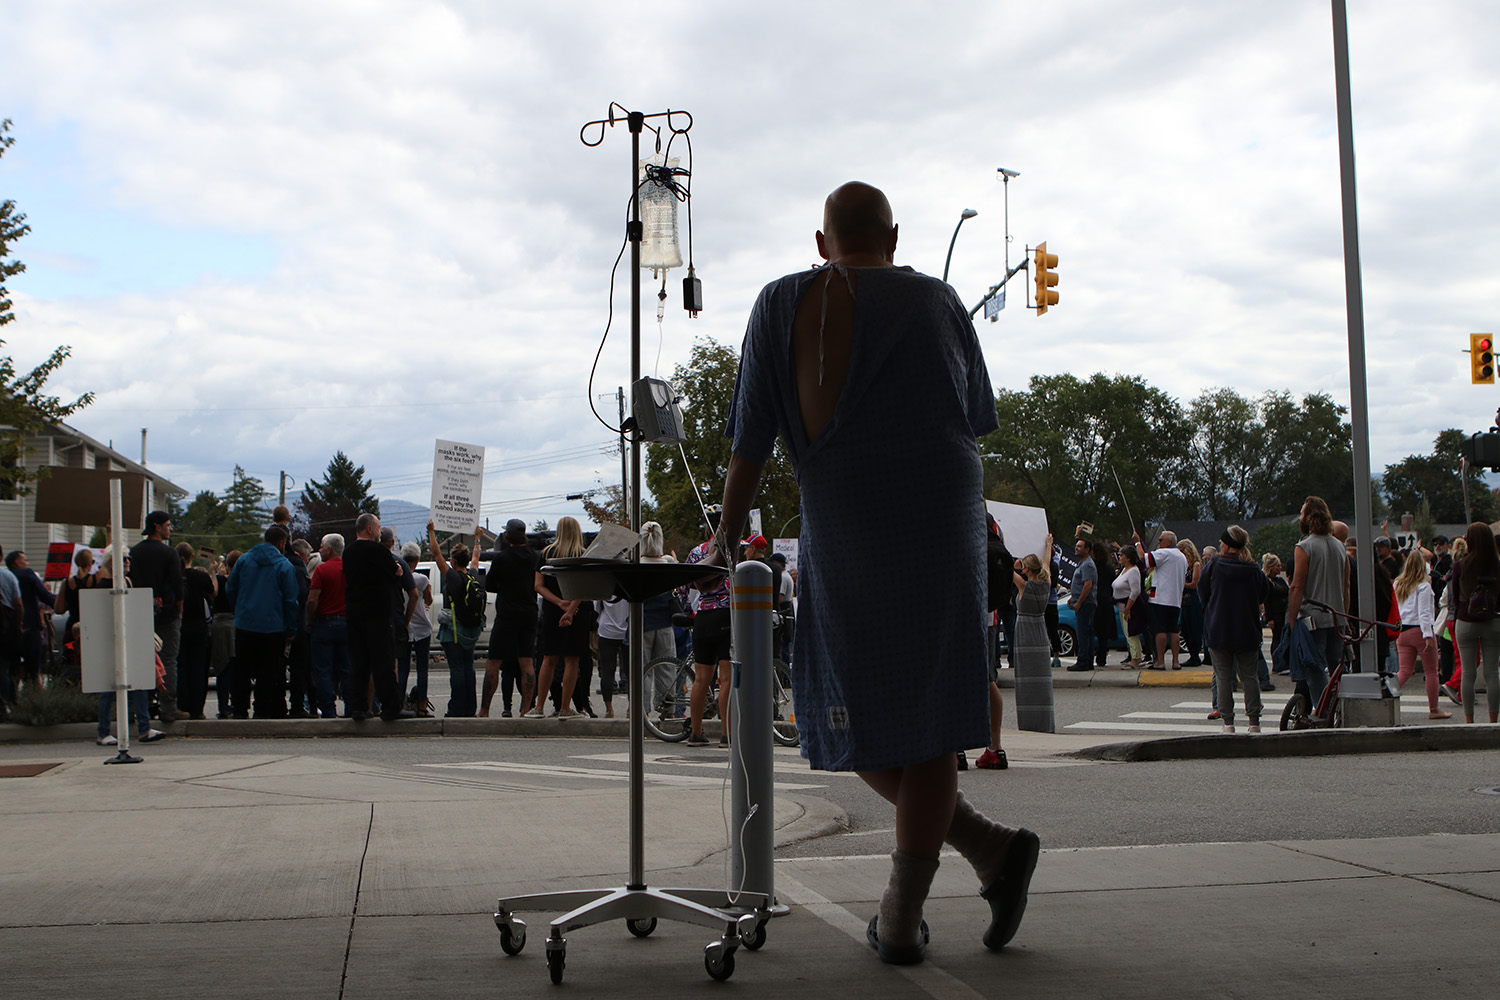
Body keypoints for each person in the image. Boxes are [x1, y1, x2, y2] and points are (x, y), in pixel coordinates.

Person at [718, 181, 1039, 964]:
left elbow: (751, 432)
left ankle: (907, 912)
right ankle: (978, 859)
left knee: (842, 709)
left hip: (846, 524)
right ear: (893, 238)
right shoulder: (940, 302)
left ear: (821, 242)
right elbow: (972, 421)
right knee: (923, 721)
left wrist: (729, 530)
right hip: (940, 521)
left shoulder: (780, 300)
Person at [1198, 527, 1269, 733]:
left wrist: (1210, 610)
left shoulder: (1214, 565)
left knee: (1223, 676)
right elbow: (1263, 594)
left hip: (1219, 627)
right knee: (1250, 676)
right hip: (1247, 628)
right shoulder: (1254, 569)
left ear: (1227, 544)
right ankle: (1254, 721)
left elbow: (1203, 592)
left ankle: (1228, 722)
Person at [225, 525, 299, 718]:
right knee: (268, 671)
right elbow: (291, 601)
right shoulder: (284, 566)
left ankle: (240, 709)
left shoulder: (244, 560)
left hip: (245, 623)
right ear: (281, 543)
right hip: (273, 626)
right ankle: (262, 709)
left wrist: (239, 609)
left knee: (242, 668)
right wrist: (291, 629)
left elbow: (230, 588)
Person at [342, 513, 410, 721]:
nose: (381, 531)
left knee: (359, 662)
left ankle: (359, 707)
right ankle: (390, 706)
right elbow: (394, 573)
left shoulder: (348, 552)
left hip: (354, 612)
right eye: (379, 527)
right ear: (370, 529)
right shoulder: (378, 551)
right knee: (383, 661)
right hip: (378, 613)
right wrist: (397, 572)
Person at [1285, 496, 1348, 708]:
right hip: (1337, 617)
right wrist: (1344, 615)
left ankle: (1324, 708)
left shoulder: (1304, 547)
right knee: (1338, 665)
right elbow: (1346, 586)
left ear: (1310, 517)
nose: (1301, 517)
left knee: (1313, 666)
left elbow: (1297, 586)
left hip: (1313, 617)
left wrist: (1292, 619)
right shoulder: (1340, 547)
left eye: (1302, 513)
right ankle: (1344, 705)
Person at [529, 516, 590, 719]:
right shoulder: (582, 554)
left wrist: (558, 603)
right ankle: (565, 708)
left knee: (549, 658)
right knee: (572, 660)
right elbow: (584, 587)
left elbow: (538, 585)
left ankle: (538, 707)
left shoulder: (546, 553)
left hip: (551, 611)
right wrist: (570, 609)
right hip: (577, 611)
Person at [682, 507, 734, 745]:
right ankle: (726, 733)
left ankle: (696, 731)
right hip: (726, 615)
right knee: (727, 678)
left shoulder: (696, 552)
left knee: (702, 679)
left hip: (703, 616)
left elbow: (683, 588)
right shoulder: (733, 549)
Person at [129, 510, 187, 721]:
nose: (170, 528)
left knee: (138, 660)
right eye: (168, 525)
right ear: (157, 527)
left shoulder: (134, 552)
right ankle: (168, 706)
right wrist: (179, 609)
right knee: (168, 659)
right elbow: (176, 582)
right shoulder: (169, 553)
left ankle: (135, 708)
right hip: (167, 612)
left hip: (139, 613)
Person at [482, 518, 539, 718]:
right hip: (529, 613)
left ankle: (485, 709)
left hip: (507, 614)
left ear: (507, 535)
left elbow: (489, 585)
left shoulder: (502, 558)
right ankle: (526, 709)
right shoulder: (535, 557)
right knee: (527, 663)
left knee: (493, 663)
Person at [428, 521, 483, 718]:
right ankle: (469, 707)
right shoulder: (472, 577)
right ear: (466, 561)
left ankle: (456, 708)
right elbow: (476, 557)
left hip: (453, 631)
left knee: (457, 669)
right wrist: (477, 539)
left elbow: (436, 555)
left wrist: (431, 532)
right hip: (470, 631)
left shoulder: (453, 578)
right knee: (468, 668)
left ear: (453, 561)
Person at [1451, 521, 1500, 724]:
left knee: (1468, 672)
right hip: (1493, 620)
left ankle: (1469, 720)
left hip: (1465, 620)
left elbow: (1455, 597)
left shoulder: (1460, 565)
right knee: (1492, 672)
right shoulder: (1498, 566)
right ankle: (1493, 720)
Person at [1393, 547, 1449, 720]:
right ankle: (1434, 709)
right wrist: (1428, 635)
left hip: (1402, 631)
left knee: (1404, 671)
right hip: (1420, 630)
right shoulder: (1423, 587)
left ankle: (1385, 693)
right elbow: (1424, 612)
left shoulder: (1398, 584)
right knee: (1431, 671)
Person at [307, 535, 351, 718]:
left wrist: (311, 620)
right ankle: (350, 707)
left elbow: (312, 600)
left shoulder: (321, 570)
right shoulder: (350, 569)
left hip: (324, 624)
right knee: (347, 669)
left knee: (323, 669)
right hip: (347, 624)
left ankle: (328, 709)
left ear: (330, 549)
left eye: (322, 547)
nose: (320, 550)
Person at [1134, 530, 1190, 671]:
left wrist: (1137, 542)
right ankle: (1176, 661)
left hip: (1160, 598)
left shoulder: (1164, 553)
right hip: (1175, 599)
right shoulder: (1182, 557)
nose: (1158, 543)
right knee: (1173, 630)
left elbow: (1143, 557)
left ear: (1169, 542)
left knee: (1159, 630)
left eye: (1160, 540)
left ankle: (1160, 661)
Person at [175, 542, 216, 719]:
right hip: (199, 628)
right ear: (192, 557)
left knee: (181, 668)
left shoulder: (175, 576)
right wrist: (212, 571)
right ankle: (197, 708)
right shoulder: (200, 577)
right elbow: (213, 592)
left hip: (180, 627)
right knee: (199, 669)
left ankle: (182, 704)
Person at [399, 542, 434, 716]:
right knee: (422, 669)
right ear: (417, 560)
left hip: (403, 625)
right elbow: (429, 600)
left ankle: (400, 703)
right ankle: (421, 705)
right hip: (422, 627)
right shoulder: (422, 579)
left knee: (403, 667)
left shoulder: (398, 577)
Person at [211, 552, 240, 718]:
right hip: (237, 624)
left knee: (222, 669)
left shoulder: (221, 581)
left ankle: (223, 706)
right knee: (236, 669)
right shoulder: (242, 582)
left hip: (221, 625)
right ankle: (237, 704)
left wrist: (214, 572)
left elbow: (212, 592)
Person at [1065, 535, 1096, 672]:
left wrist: (1079, 602)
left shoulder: (1088, 564)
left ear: (1087, 549)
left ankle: (1083, 661)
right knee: (1085, 632)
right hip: (1080, 601)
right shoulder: (1082, 564)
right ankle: (1087, 660)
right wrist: (1073, 597)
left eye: (1079, 546)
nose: (1076, 548)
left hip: (1086, 604)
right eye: (1076, 546)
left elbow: (1088, 585)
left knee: (1083, 633)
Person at [1113, 545, 1145, 669]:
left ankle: (1136, 658)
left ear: (1129, 557)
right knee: (1127, 633)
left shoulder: (1133, 571)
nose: (1119, 557)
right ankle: (1134, 656)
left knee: (1131, 633)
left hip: (1130, 607)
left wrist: (1128, 607)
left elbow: (1135, 591)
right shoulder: (1124, 569)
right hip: (1121, 606)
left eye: (1122, 555)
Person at [1090, 539, 1117, 669]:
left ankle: (1090, 654)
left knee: (1091, 629)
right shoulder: (1109, 568)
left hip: (1095, 599)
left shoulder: (1092, 566)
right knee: (1104, 633)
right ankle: (1102, 657)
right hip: (1106, 600)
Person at [1178, 539, 1205, 667]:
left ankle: (1195, 655)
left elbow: (1195, 584)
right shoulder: (1183, 565)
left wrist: (1181, 585)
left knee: (1194, 628)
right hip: (1184, 600)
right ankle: (1191, 654)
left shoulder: (1196, 565)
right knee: (1185, 628)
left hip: (1193, 599)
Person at [1262, 554, 1290, 674]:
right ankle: (1277, 663)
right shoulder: (1267, 582)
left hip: (1284, 613)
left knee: (1284, 638)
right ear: (1271, 567)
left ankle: (1284, 662)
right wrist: (1269, 618)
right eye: (1277, 566)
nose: (1280, 568)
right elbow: (1266, 601)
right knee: (1277, 639)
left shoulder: (1280, 580)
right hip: (1275, 614)